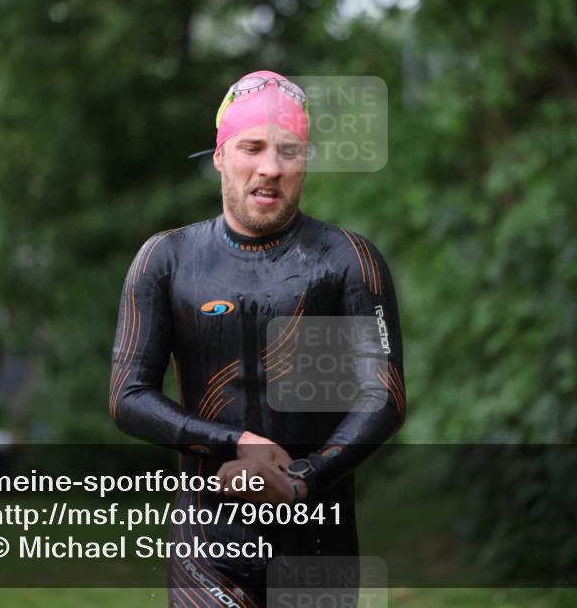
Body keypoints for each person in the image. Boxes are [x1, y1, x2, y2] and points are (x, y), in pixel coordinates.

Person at [109, 71, 406, 607]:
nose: (270, 167)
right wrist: (235, 443)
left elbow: (383, 397)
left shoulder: (345, 262)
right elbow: (128, 397)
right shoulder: (167, 260)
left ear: (305, 161)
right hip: (209, 542)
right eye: (252, 147)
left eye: (289, 151)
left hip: (318, 543)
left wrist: (300, 479)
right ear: (220, 155)